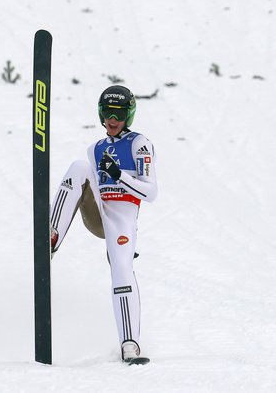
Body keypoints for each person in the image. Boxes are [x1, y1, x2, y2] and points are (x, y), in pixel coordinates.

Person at [49, 85, 158, 362]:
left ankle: (130, 344)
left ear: (128, 115)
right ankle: (50, 237)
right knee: (78, 167)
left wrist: (118, 174)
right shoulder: (95, 148)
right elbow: (88, 182)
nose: (112, 119)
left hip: (122, 218)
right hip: (98, 211)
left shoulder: (139, 143)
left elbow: (150, 192)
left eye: (118, 113)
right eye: (107, 112)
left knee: (122, 269)